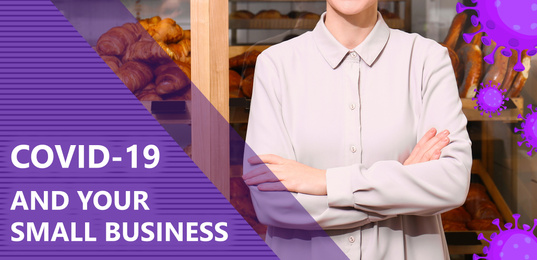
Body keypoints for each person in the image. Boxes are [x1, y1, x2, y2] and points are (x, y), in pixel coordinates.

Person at [242, 0, 473, 259]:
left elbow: (451, 182)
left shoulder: (427, 60)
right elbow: (272, 203)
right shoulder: (276, 65)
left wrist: (324, 181)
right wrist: (402, 189)